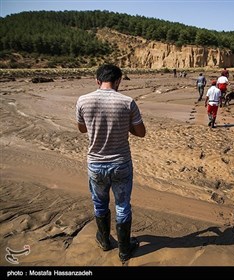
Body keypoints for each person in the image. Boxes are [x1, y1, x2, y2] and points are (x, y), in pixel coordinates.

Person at [76, 64, 146, 262]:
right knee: (122, 205)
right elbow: (141, 132)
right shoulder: (127, 102)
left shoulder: (83, 100)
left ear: (97, 81)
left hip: (96, 163)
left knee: (99, 203)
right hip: (121, 162)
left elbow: (82, 129)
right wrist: (125, 127)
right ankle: (124, 250)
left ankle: (105, 241)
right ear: (118, 81)